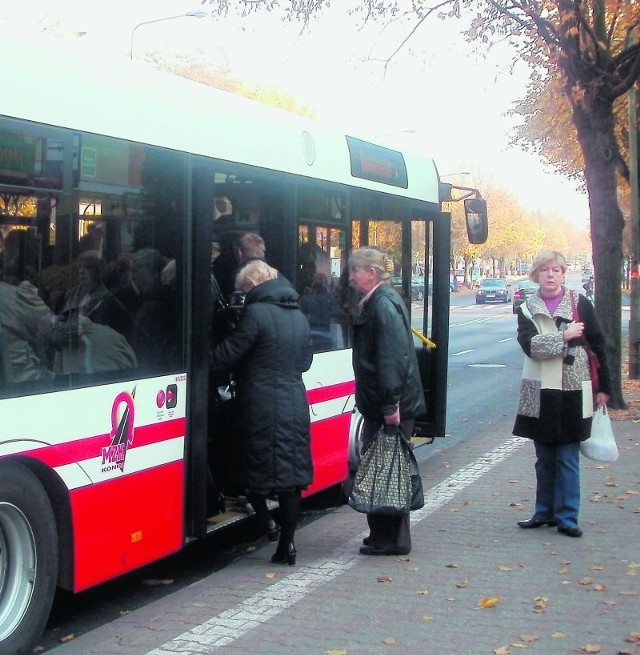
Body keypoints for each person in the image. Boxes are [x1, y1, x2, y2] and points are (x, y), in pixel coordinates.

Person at [209, 259, 313, 566]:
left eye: (243, 289)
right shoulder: (299, 315)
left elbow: (228, 354)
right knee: (290, 479)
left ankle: (267, 522)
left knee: (248, 471)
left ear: (253, 285)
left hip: (260, 404)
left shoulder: (255, 313)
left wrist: (200, 359)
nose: (241, 296)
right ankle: (288, 545)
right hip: (293, 401)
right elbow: (305, 362)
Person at [513, 250, 611, 538]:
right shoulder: (527, 308)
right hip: (539, 389)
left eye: (556, 270)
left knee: (567, 457)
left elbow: (598, 343)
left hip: (573, 388)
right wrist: (564, 336)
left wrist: (604, 387)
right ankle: (543, 512)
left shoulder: (580, 303)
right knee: (544, 458)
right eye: (545, 270)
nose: (551, 275)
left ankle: (567, 517)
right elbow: (531, 346)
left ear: (564, 274)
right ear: (537, 275)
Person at [348, 248, 426, 556]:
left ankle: (392, 539)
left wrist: (391, 405)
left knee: (386, 470)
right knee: (384, 468)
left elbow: (392, 359)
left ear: (372, 273)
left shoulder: (382, 305)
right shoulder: (381, 301)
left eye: (356, 270)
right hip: (385, 404)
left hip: (390, 406)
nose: (351, 277)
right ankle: (383, 534)